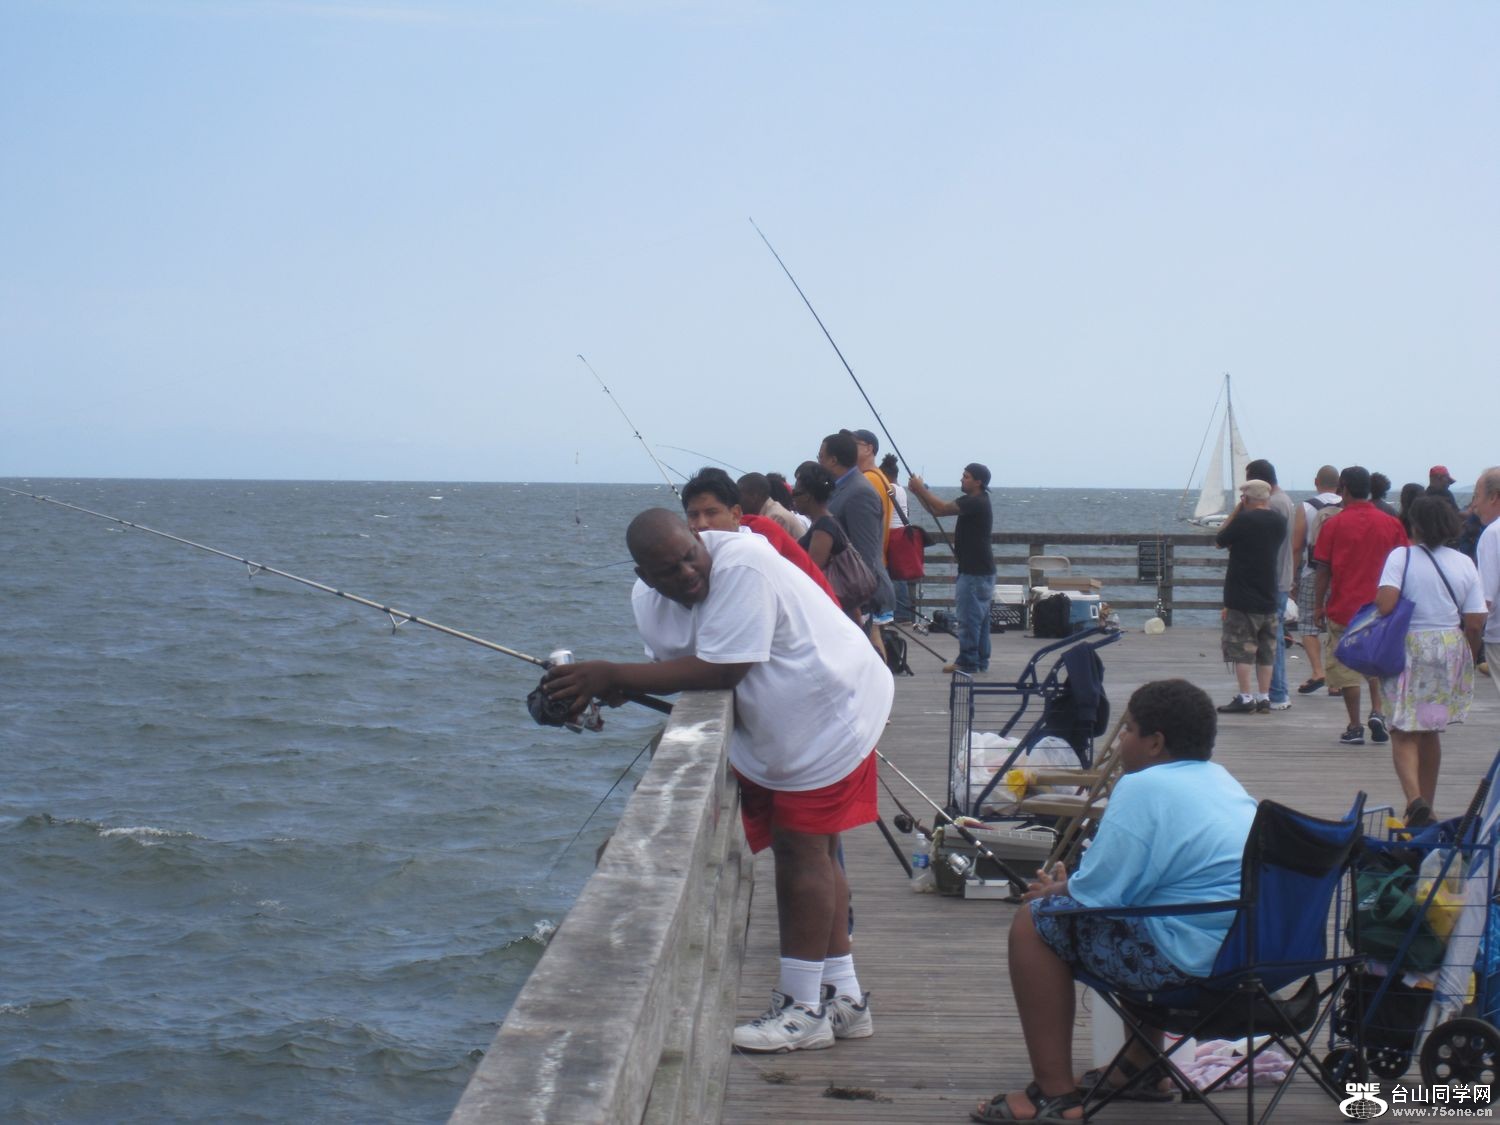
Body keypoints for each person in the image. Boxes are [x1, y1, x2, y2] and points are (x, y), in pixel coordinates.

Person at [543, 510, 894, 1052]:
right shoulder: (648, 602)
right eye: (668, 569)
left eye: (690, 556)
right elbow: (682, 667)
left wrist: (612, 673)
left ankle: (802, 1009)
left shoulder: (743, 562)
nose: (687, 572)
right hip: (786, 728)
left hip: (831, 709)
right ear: (643, 576)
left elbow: (724, 668)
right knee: (817, 853)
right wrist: (611, 687)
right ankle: (843, 998)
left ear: (699, 538)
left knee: (802, 852)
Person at [972, 680, 1256, 1123]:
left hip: (1189, 963)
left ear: (1155, 742)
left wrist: (1055, 892)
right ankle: (1141, 1068)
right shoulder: (1223, 782)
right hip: (1249, 957)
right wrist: (1073, 889)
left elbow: (1099, 894)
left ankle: (1054, 1095)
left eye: (1128, 729)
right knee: (1140, 913)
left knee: (1033, 923)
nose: (1121, 739)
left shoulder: (1142, 786)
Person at [1374, 497, 1487, 827]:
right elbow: (1475, 621)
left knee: (1402, 729)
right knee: (1429, 730)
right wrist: (1466, 654)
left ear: (1415, 524)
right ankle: (1429, 806)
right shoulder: (1464, 563)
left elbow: (1385, 605)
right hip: (1448, 647)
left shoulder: (1402, 556)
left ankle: (1414, 802)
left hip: (1407, 647)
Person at [1314, 466, 1410, 746]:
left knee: (1346, 669)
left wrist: (1318, 606)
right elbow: (1406, 564)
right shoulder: (1391, 523)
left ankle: (1355, 725)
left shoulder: (1333, 524)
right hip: (1382, 607)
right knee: (1375, 661)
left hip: (1344, 606)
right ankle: (1377, 711)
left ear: (1343, 488)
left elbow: (1323, 569)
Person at [680, 467, 838, 605]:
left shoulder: (759, 532)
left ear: (735, 513)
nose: (701, 524)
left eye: (711, 513)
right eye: (693, 515)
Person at [907, 463, 996, 675]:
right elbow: (936, 511)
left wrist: (921, 489)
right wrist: (918, 492)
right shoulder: (976, 501)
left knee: (969, 619)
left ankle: (967, 662)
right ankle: (980, 660)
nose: (961, 479)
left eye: (966, 476)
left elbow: (943, 507)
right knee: (981, 620)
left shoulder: (975, 502)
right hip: (981, 570)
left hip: (974, 572)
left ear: (978, 482)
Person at [818, 431, 896, 658]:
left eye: (821, 456)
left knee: (866, 648)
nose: (819, 461)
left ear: (833, 460)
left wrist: (860, 600)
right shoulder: (841, 487)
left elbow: (866, 550)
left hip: (857, 590)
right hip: (846, 587)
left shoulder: (860, 491)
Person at [1213, 480, 1285, 714]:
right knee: (1266, 650)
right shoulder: (1279, 522)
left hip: (1242, 595)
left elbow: (1220, 540)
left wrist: (1237, 511)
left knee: (1242, 649)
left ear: (1246, 498)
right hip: (1269, 594)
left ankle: (1245, 697)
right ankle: (1264, 697)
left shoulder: (1244, 520)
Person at [1245, 460, 1296, 710]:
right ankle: (1279, 691)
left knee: (1270, 638)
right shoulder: (1285, 500)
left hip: (1272, 579)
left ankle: (1277, 693)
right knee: (1274, 634)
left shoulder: (1273, 504)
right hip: (1282, 576)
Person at [790, 461, 866, 623]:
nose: (793, 498)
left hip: (830, 611)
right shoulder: (826, 522)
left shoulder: (824, 526)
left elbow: (812, 572)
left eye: (795, 493)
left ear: (807, 496)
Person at [1292, 465, 1342, 694]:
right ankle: (1337, 679)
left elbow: (1297, 545)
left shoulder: (1306, 506)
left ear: (1316, 482)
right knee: (1338, 624)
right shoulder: (1346, 505)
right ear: (1339, 484)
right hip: (1341, 574)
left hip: (1313, 571)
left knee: (1307, 624)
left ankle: (1318, 671)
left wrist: (1292, 578)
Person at [1475, 467, 1500, 699]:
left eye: (1477, 496)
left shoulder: (1493, 534)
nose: (1475, 505)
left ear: (1493, 497)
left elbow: (1486, 599)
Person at [738, 471, 805, 540]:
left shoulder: (776, 516)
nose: (737, 500)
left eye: (739, 495)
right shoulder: (770, 511)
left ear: (754, 496)